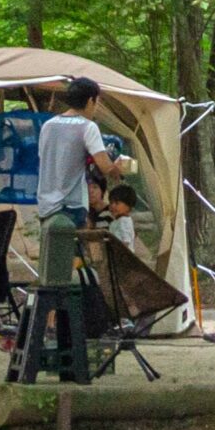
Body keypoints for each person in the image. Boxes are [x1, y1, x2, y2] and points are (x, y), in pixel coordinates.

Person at [36, 77, 134, 283]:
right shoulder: (87, 127)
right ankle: (74, 309)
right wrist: (119, 168)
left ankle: (51, 314)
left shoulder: (48, 125)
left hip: (46, 205)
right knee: (73, 265)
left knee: (51, 265)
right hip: (71, 206)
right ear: (90, 100)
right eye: (96, 102)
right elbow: (104, 165)